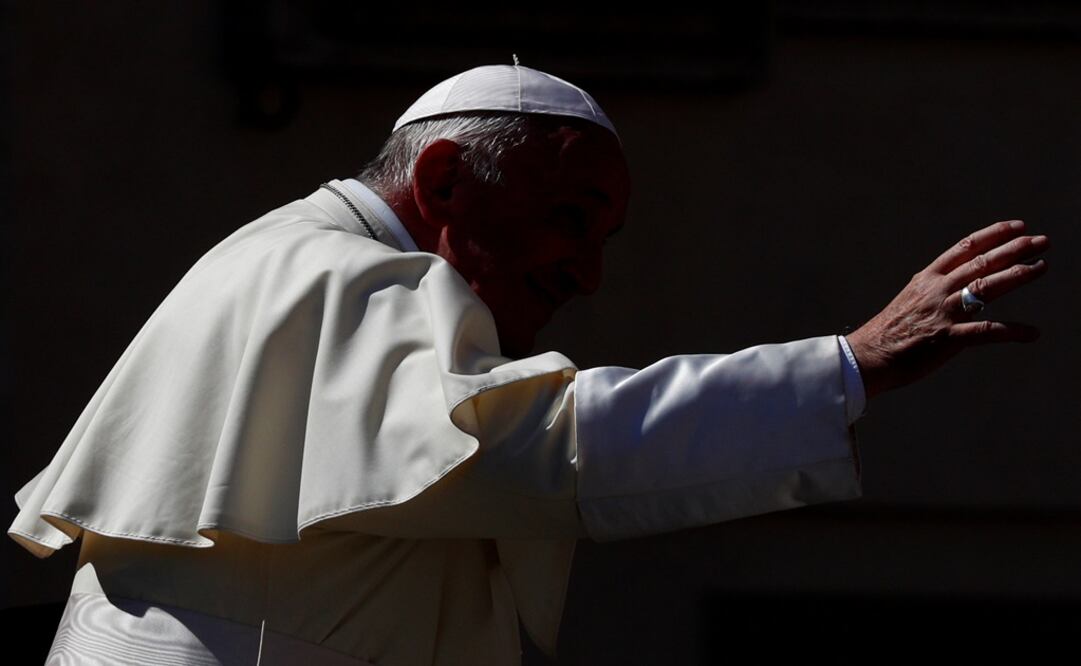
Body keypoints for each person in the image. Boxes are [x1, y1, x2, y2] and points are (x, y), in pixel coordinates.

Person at [8, 65, 1048, 665]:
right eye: (570, 219)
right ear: (449, 181)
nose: (587, 273)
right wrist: (845, 366)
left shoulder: (286, 259)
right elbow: (523, 453)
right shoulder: (344, 279)